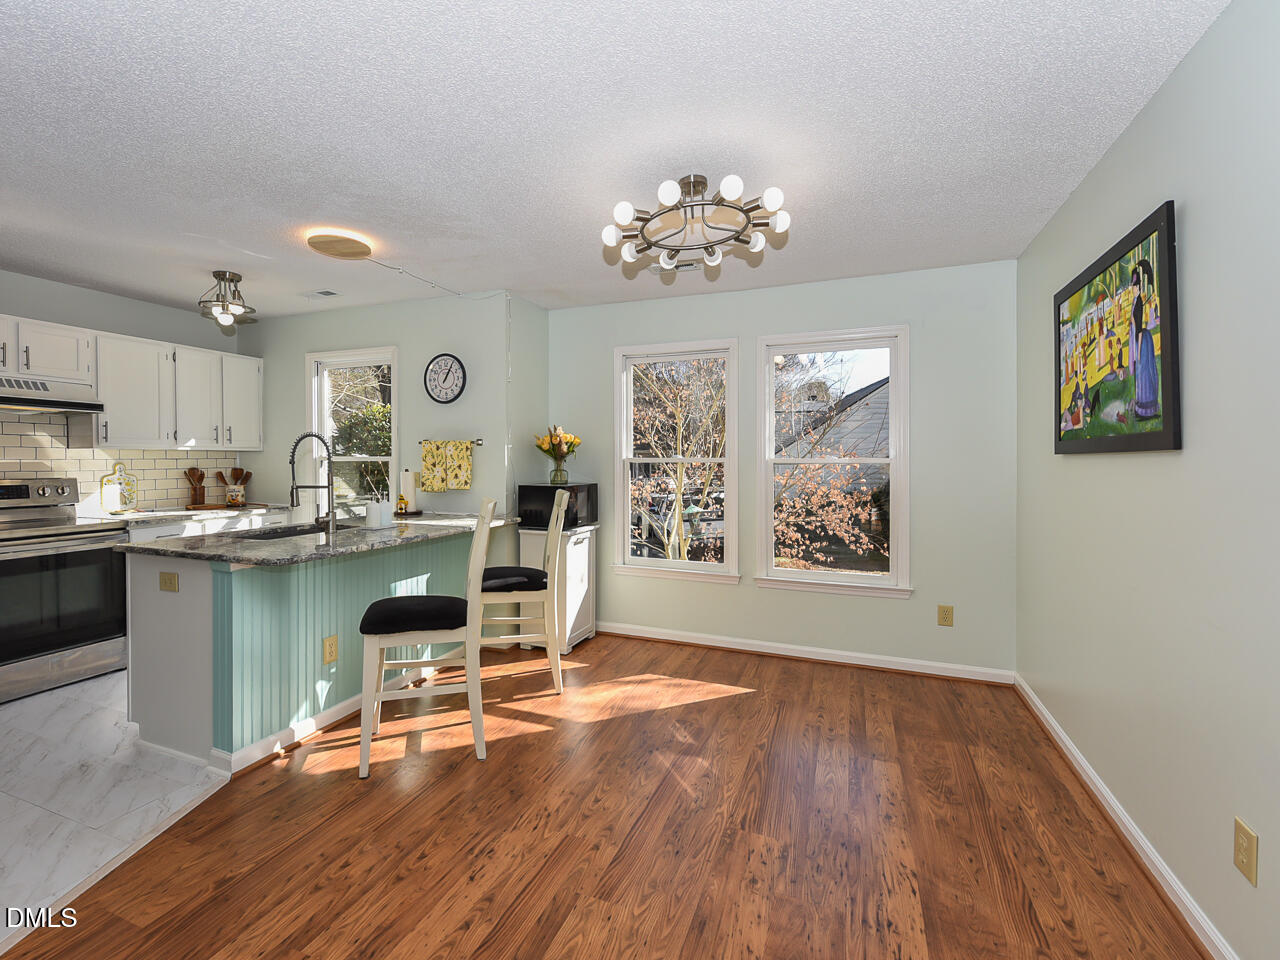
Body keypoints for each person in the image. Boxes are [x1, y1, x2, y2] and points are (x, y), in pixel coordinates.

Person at [1131, 262, 1160, 419]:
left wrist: (1139, 350)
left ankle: (1147, 407)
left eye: (1134, 287)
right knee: (1140, 374)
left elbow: (1140, 328)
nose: (1132, 289)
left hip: (1143, 342)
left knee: (1144, 372)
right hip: (1139, 340)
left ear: (1139, 288)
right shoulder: (1136, 303)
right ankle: (1140, 407)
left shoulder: (1139, 304)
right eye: (1132, 287)